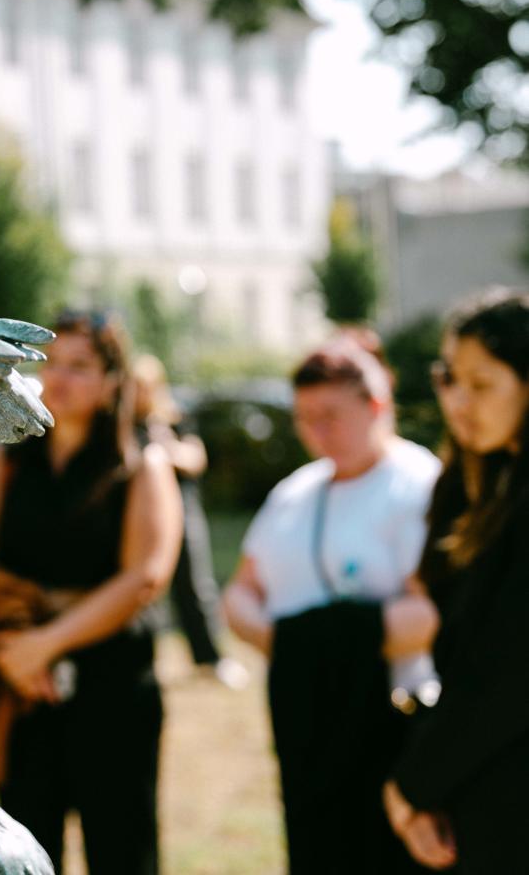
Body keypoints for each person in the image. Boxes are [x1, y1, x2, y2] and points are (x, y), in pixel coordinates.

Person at [0, 310, 183, 875]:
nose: (60, 378)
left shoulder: (141, 464)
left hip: (115, 689)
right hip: (24, 689)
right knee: (28, 856)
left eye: (80, 366)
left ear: (112, 380)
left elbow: (145, 578)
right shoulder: (9, 458)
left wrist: (47, 642)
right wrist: (15, 645)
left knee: (122, 851)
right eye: (52, 363)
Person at [222, 339, 439, 874]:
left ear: (376, 406)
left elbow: (428, 615)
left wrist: (318, 640)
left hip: (389, 720)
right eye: (304, 418)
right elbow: (240, 592)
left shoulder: (417, 484)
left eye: (330, 416)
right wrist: (287, 643)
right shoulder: (295, 492)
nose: (316, 432)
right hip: (306, 718)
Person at [383, 289, 529, 873]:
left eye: (482, 383)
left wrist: (413, 786)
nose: (459, 401)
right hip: (477, 784)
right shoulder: (470, 482)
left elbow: (512, 673)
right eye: (450, 379)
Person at [129, 355, 246, 688]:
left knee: (194, 585)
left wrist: (162, 448)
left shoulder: (175, 418)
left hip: (181, 511)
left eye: (144, 386)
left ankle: (210, 658)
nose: (139, 393)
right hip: (141, 517)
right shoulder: (121, 424)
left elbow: (196, 458)